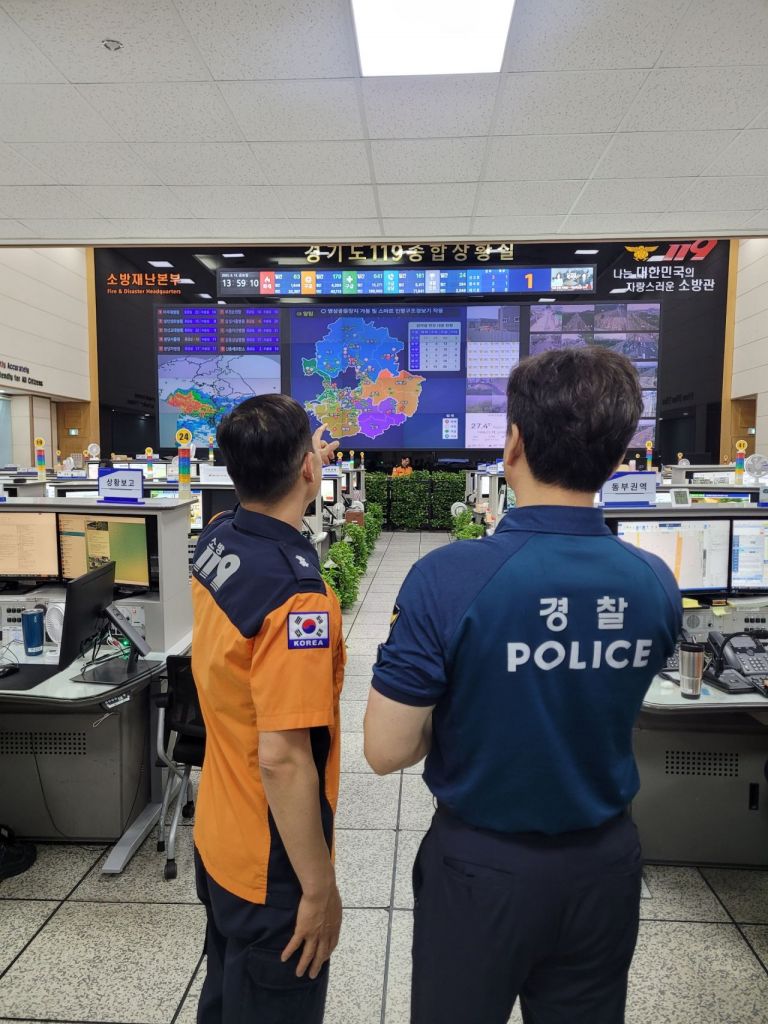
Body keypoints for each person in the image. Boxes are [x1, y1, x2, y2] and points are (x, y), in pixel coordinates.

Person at [364, 347, 681, 1024]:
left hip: (482, 871)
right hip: (606, 866)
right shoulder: (655, 581)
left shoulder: (448, 577)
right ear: (618, 458)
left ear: (513, 444)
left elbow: (386, 749)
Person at [191, 395, 344, 1024]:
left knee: (226, 997)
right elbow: (283, 758)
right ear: (307, 469)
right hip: (269, 864)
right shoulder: (297, 598)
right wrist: (319, 886)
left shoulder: (217, 535)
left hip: (218, 835)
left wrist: (305, 459)